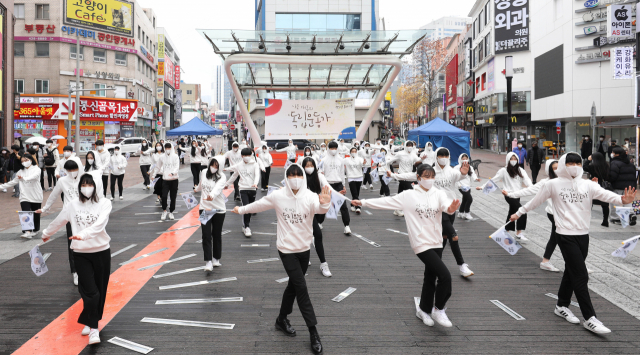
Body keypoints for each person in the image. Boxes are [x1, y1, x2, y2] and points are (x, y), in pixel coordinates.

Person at [510, 152, 636, 334]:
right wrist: (519, 212)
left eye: (578, 162)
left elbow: (605, 194)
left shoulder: (587, 184)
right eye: (570, 162)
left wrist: (622, 200)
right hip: (564, 234)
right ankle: (590, 318)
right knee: (581, 275)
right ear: (563, 164)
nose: (574, 165)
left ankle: (561, 305)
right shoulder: (552, 184)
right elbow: (535, 201)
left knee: (571, 271)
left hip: (583, 235)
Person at [233, 164, 331, 355]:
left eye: (298, 175)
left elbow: (319, 209)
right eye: (291, 175)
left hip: (304, 249)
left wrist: (325, 203)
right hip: (286, 249)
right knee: (301, 287)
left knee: (293, 286)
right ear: (286, 178)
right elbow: (260, 204)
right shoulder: (279, 196)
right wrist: (242, 209)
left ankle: (281, 319)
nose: (295, 178)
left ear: (302, 177)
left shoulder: (310, 196)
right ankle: (313, 332)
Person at [351, 164, 459, 328]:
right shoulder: (408, 195)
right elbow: (386, 201)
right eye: (426, 176)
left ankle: (423, 309)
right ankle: (439, 308)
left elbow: (446, 206)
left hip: (436, 241)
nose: (429, 179)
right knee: (445, 276)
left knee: (431, 276)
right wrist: (363, 202)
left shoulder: (439, 193)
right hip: (421, 242)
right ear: (418, 177)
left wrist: (450, 209)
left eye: (432, 176)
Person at [41, 173, 112, 344]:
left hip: (101, 251)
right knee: (90, 291)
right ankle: (94, 329)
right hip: (80, 254)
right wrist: (46, 233)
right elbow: (60, 219)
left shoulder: (105, 203)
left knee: (100, 291)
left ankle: (90, 320)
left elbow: (100, 224)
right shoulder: (72, 204)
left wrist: (83, 234)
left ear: (96, 186)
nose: (87, 187)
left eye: (90, 184)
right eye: (84, 184)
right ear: (79, 186)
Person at [391, 148, 474, 277]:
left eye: (446, 155)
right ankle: (462, 265)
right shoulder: (431, 171)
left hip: (451, 207)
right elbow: (412, 175)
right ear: (436, 156)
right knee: (453, 236)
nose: (443, 158)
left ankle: (436, 264)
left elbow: (461, 175)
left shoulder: (452, 171)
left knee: (443, 237)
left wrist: (463, 174)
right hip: (437, 208)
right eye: (441, 155)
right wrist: (394, 175)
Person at [507, 160, 561, 272]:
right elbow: (530, 192)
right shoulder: (546, 183)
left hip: (564, 215)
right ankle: (577, 264)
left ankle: (548, 261)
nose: (557, 170)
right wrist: (510, 194)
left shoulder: (567, 181)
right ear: (549, 170)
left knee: (558, 238)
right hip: (554, 214)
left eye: (559, 167)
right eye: (554, 168)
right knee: (564, 238)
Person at [478, 152, 532, 240]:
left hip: (517, 194)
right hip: (508, 194)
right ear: (508, 159)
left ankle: (506, 231)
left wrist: (533, 188)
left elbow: (527, 180)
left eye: (515, 159)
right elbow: (494, 180)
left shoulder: (520, 170)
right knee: (522, 211)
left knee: (512, 211)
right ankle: (519, 232)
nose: (513, 161)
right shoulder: (503, 170)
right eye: (511, 159)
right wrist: (482, 187)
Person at [303, 157, 338, 277]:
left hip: (318, 206)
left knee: (314, 229)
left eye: (310, 165)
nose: (309, 167)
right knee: (316, 234)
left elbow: (327, 186)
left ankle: (307, 255)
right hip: (305, 210)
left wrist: (336, 194)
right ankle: (323, 263)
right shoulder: (300, 177)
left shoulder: (319, 176)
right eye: (306, 165)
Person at [194, 158, 227, 271]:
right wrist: (196, 189)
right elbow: (201, 184)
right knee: (206, 234)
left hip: (219, 209)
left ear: (220, 167)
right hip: (205, 208)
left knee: (216, 234)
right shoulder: (203, 172)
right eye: (212, 165)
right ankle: (208, 261)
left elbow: (217, 189)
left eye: (216, 166)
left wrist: (211, 195)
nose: (213, 167)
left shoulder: (222, 177)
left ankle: (216, 258)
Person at [0, 153, 43, 239]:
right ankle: (27, 231)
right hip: (24, 195)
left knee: (35, 213)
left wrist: (23, 178)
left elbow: (34, 177)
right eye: (22, 161)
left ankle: (35, 230)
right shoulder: (20, 172)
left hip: (36, 195)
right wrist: (1, 186)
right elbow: (13, 182)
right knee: (25, 212)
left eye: (26, 160)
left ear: (31, 160)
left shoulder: (37, 169)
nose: (24, 162)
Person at [226, 148, 260, 237]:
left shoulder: (255, 164)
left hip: (253, 188)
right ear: (242, 156)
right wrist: (227, 184)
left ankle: (245, 225)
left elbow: (257, 175)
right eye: (245, 155)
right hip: (243, 188)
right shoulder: (239, 165)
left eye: (249, 155)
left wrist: (255, 183)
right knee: (246, 207)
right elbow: (234, 175)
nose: (247, 157)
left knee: (251, 208)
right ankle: (246, 226)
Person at [321, 141, 352, 235]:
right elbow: (321, 173)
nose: (333, 150)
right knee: (323, 204)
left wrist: (343, 185)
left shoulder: (341, 160)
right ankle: (319, 222)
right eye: (331, 148)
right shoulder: (323, 159)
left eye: (335, 148)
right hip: (327, 184)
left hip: (338, 184)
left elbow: (342, 173)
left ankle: (346, 226)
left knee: (343, 206)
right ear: (328, 149)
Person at [385, 141, 422, 216]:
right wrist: (382, 164)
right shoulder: (400, 153)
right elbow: (390, 160)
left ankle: (397, 209)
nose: (409, 147)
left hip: (409, 175)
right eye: (408, 145)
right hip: (401, 175)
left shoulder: (413, 154)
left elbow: (418, 161)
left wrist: (422, 158)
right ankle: (407, 208)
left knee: (401, 192)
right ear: (405, 146)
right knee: (410, 191)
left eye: (411, 145)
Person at [151, 143, 180, 221]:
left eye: (169, 148)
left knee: (173, 197)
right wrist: (153, 175)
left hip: (174, 179)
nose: (167, 149)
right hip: (165, 180)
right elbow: (158, 167)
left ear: (171, 148)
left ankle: (171, 212)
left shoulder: (175, 156)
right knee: (164, 196)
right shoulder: (162, 157)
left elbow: (177, 167)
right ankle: (164, 211)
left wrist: (173, 173)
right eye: (166, 148)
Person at [608, 146, 637, 224]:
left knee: (615, 201)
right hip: (629, 187)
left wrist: (608, 181)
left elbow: (613, 176)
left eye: (613, 152)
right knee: (627, 202)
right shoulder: (630, 164)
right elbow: (634, 176)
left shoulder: (614, 163)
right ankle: (631, 214)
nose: (612, 154)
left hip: (617, 186)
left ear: (617, 154)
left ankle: (616, 218)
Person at [584, 152, 610, 227]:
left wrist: (588, 160)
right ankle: (605, 220)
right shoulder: (607, 165)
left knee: (590, 202)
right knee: (605, 204)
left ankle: (586, 219)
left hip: (594, 184)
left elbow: (584, 167)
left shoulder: (593, 166)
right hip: (603, 186)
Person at [455, 153, 480, 220]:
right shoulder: (457, 167)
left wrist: (476, 179)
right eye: (463, 159)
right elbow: (454, 177)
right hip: (461, 186)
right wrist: (459, 185)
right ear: (460, 159)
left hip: (468, 186)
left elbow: (473, 174)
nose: (465, 160)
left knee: (465, 199)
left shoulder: (470, 167)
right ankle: (467, 213)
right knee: (469, 199)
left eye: (466, 159)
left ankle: (460, 212)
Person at [345, 147, 367, 214]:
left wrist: (364, 163)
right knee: (354, 192)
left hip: (359, 177)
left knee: (356, 193)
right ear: (350, 152)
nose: (353, 153)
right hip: (351, 177)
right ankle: (358, 207)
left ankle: (352, 204)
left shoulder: (360, 159)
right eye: (352, 151)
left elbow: (363, 164)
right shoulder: (347, 159)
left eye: (355, 151)